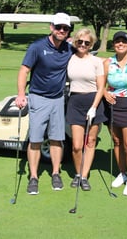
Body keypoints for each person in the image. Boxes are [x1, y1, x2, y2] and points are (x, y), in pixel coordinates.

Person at [15, 12, 74, 195]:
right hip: (38, 98)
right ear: (51, 27)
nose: (61, 30)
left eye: (65, 28)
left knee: (57, 138)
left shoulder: (69, 48)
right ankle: (33, 177)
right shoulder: (37, 47)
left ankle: (56, 173)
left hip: (58, 99)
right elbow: (24, 71)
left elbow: (88, 54)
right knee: (35, 139)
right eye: (58, 27)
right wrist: (20, 94)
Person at [66, 28, 107, 191]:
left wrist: (94, 107)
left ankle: (84, 176)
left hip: (93, 101)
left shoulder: (96, 62)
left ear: (91, 45)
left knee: (90, 142)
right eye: (80, 41)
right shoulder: (69, 59)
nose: (83, 45)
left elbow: (101, 86)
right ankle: (77, 172)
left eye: (87, 43)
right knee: (76, 145)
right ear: (75, 42)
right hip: (75, 102)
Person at [103, 31, 127, 196]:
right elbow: (100, 85)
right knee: (117, 141)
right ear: (113, 44)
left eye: (123, 41)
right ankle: (122, 173)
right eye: (117, 41)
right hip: (112, 105)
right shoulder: (107, 62)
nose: (120, 44)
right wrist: (105, 93)